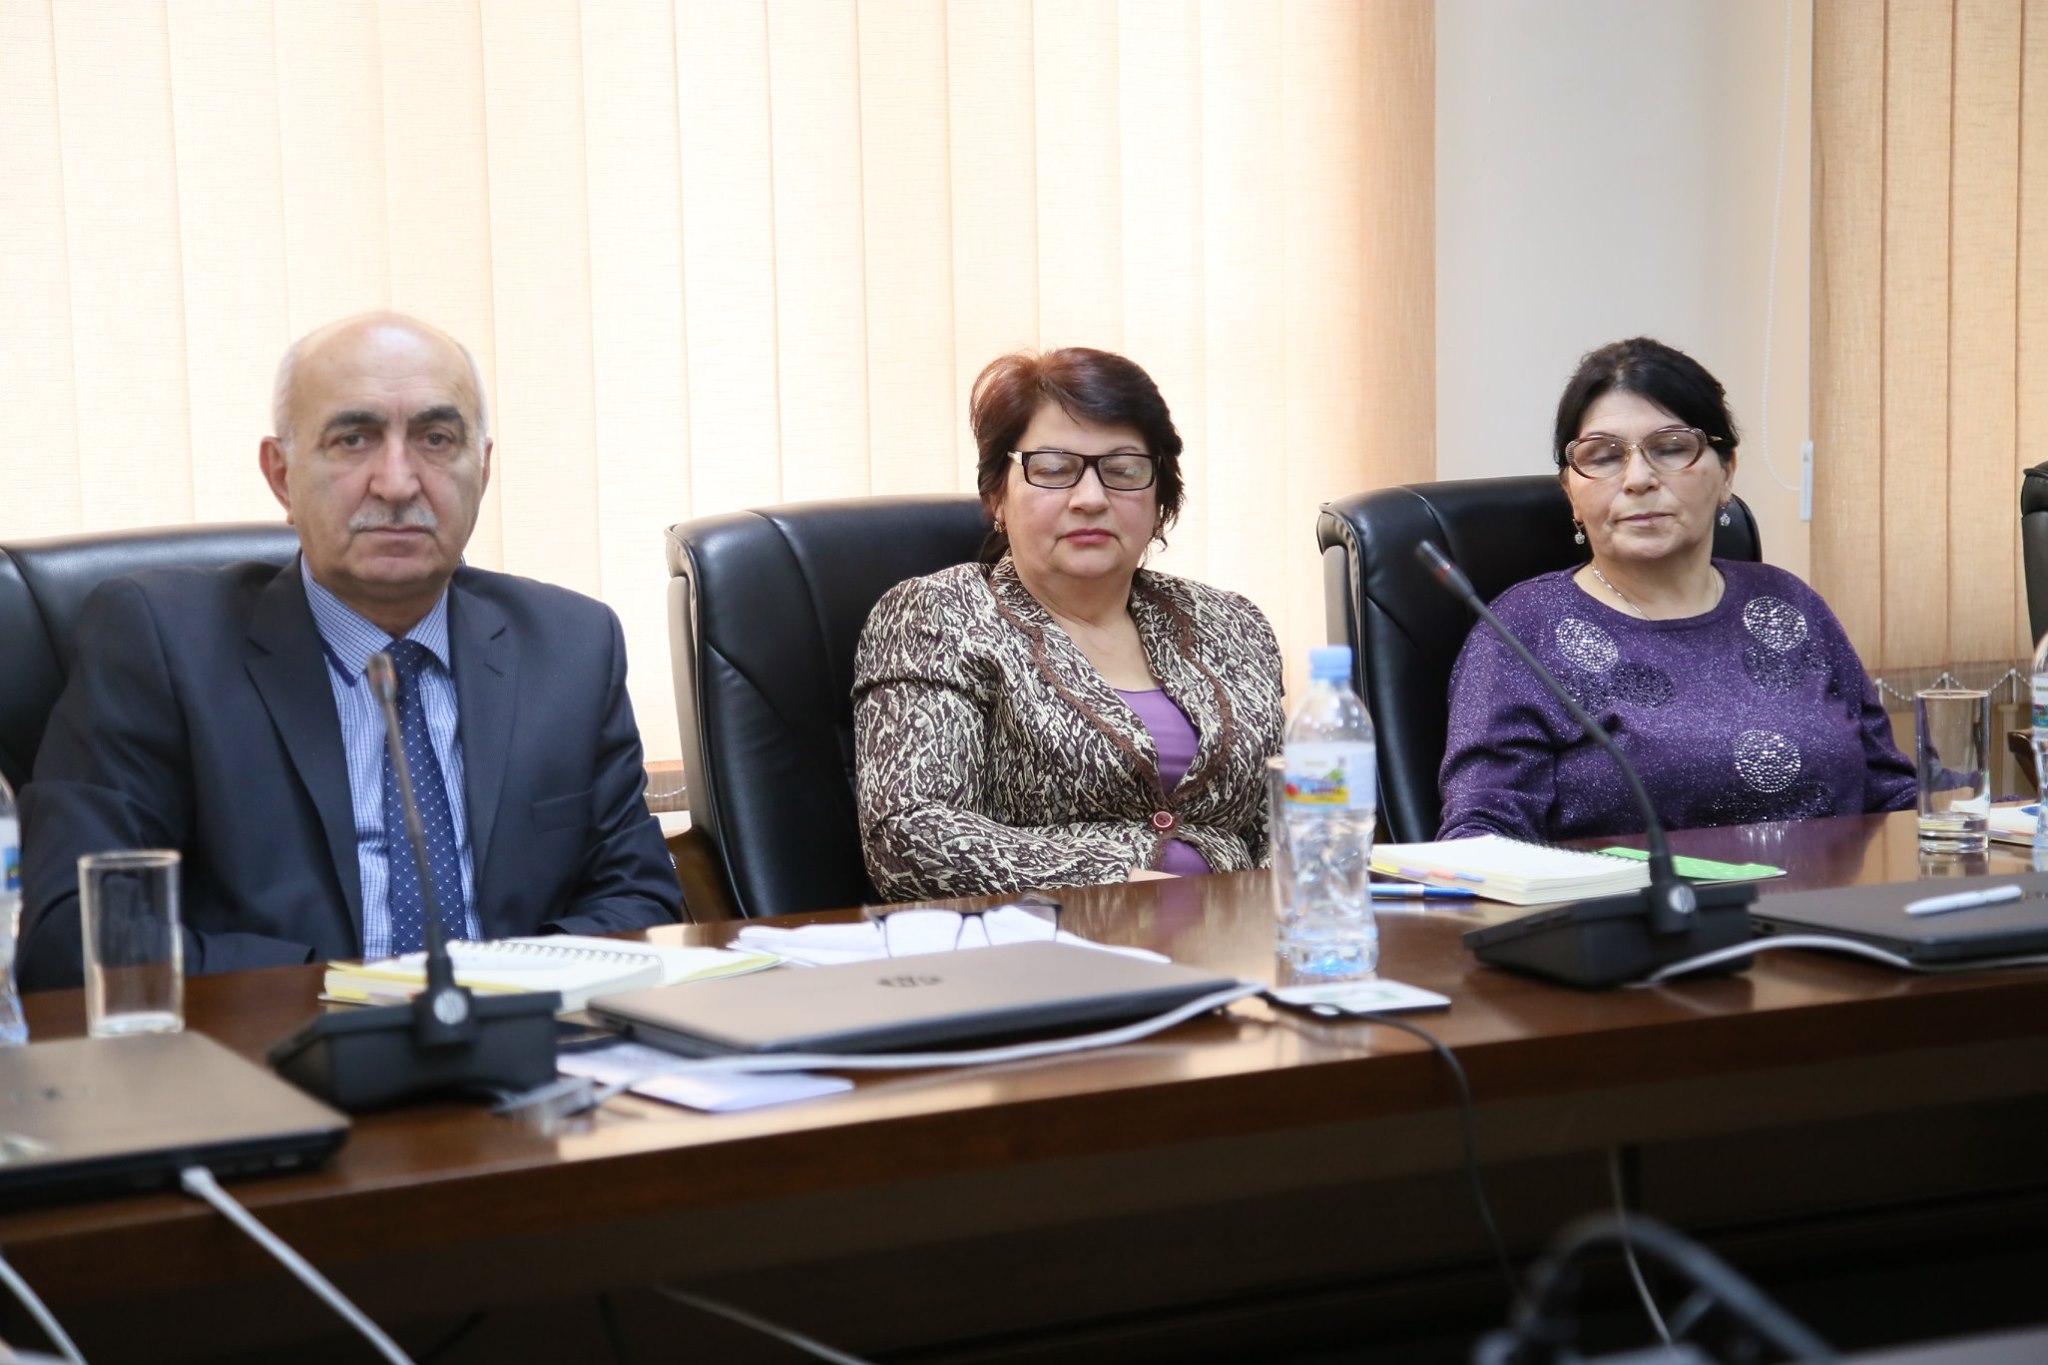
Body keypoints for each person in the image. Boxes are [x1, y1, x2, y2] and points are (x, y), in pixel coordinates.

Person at [18, 312, 680, 988]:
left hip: (526, 1038)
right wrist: (358, 996)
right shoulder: (159, 643)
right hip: (276, 1046)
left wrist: (501, 993)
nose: (397, 483)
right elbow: (78, 932)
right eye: (353, 439)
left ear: (481, 471)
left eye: (436, 439)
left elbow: (642, 901)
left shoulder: (572, 647)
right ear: (281, 475)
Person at [1437, 336, 1915, 842]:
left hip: (1841, 894)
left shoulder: (1787, 603)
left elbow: (1893, 793)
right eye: (1604, 457)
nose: (1638, 478)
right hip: (1635, 896)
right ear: (1571, 494)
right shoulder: (1522, 632)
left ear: (1726, 474)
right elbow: (1482, 836)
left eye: (1670, 448)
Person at [853, 347, 1285, 902]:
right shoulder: (938, 615)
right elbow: (910, 837)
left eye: (1123, 471)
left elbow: (1289, 819)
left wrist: (1277, 904)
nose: (1091, 498)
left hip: (1240, 935)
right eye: (1054, 470)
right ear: (997, 495)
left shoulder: (1231, 623)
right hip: (1045, 941)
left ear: (1160, 496)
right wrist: (1141, 886)